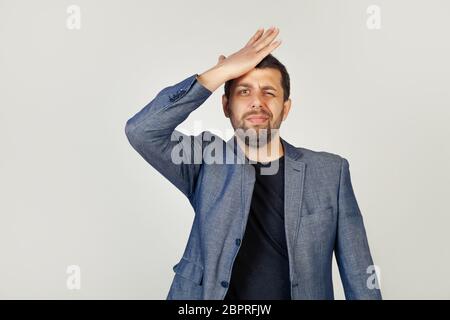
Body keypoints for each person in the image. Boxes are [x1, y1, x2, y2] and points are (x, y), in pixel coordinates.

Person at [124, 26, 382, 300]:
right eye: (244, 92)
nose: (257, 102)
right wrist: (218, 74)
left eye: (269, 93)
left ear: (285, 108)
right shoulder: (204, 161)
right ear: (226, 106)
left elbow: (358, 273)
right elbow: (141, 131)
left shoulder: (331, 172)